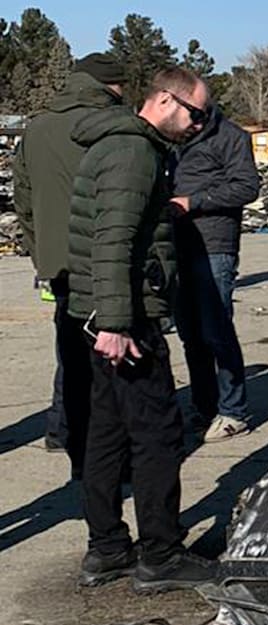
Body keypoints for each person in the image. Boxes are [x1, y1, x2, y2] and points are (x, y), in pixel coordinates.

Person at [66, 67, 217, 590]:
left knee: (107, 433)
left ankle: (107, 548)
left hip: (103, 315)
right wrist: (115, 323)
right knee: (158, 435)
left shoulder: (120, 145)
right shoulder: (134, 153)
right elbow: (113, 240)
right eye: (196, 114)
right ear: (165, 100)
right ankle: (161, 554)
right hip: (125, 319)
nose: (199, 125)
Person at [11, 52, 125, 479]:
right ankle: (103, 456)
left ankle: (66, 433)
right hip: (106, 262)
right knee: (112, 362)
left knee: (71, 352)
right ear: (110, 86)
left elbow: (23, 202)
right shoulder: (110, 125)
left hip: (58, 264)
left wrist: (42, 254)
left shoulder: (36, 128)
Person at [170, 102, 261, 442]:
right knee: (190, 334)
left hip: (214, 245)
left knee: (216, 330)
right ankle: (203, 406)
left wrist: (193, 202)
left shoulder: (231, 137)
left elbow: (247, 187)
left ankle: (234, 411)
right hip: (178, 244)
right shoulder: (172, 137)